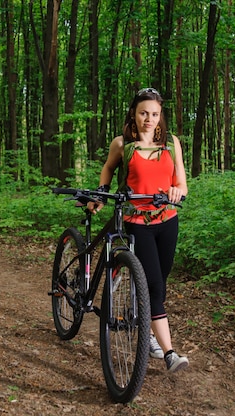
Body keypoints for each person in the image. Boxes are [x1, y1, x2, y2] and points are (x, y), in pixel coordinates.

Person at [90, 87, 189, 373]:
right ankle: (169, 353)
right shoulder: (123, 144)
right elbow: (109, 168)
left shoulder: (172, 144)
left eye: (155, 114)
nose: (149, 119)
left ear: (161, 116)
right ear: (133, 113)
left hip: (168, 221)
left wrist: (175, 191)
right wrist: (102, 192)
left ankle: (145, 322)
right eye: (144, 113)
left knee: (159, 283)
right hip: (137, 223)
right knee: (154, 286)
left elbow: (181, 184)